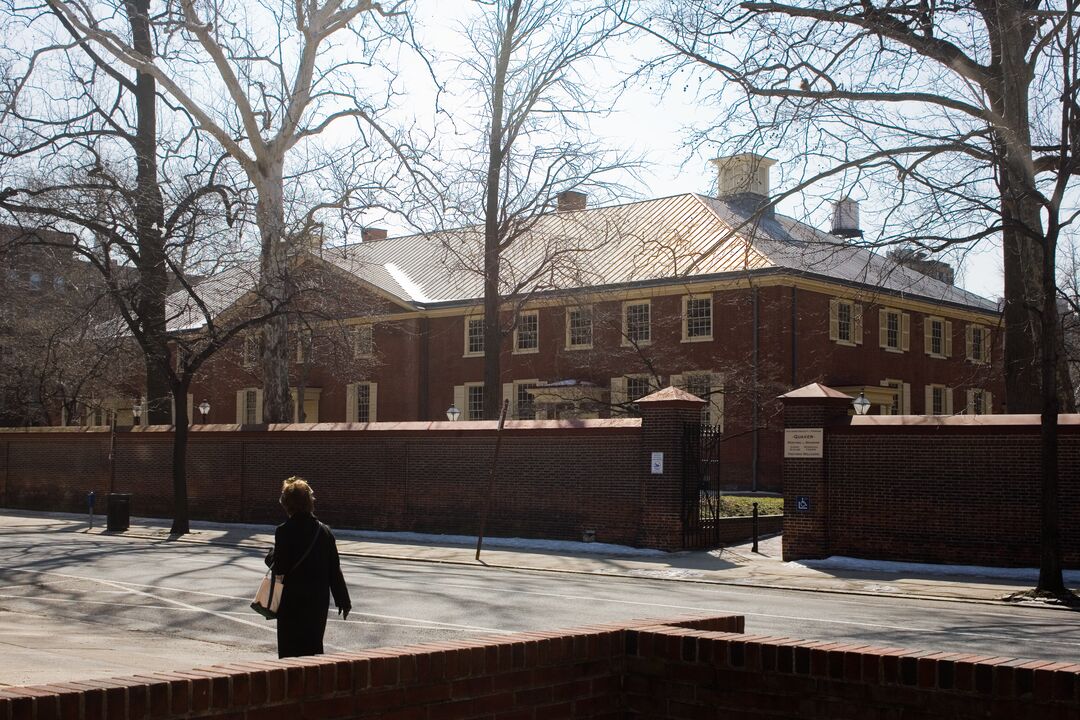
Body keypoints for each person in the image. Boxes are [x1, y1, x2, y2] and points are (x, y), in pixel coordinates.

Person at [265, 476, 351, 658]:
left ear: (288, 504)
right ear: (309, 502)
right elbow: (334, 570)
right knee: (313, 650)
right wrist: (343, 599)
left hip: (292, 602)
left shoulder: (284, 531)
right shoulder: (324, 531)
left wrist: (270, 556)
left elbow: (280, 567)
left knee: (290, 652)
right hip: (317, 603)